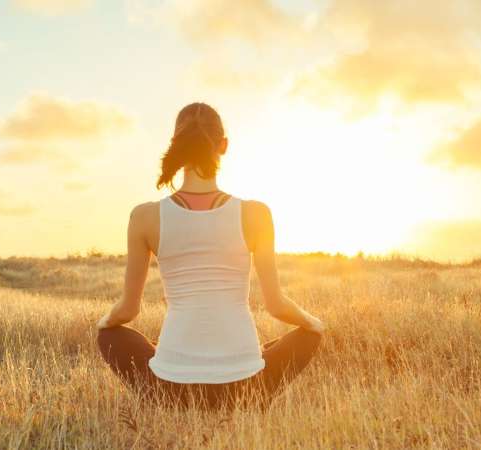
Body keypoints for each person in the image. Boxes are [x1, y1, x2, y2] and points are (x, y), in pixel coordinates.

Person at [96, 102, 325, 411]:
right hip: (244, 387)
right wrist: (314, 324)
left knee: (110, 335)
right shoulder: (255, 213)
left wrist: (104, 322)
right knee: (303, 336)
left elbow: (127, 310)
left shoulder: (145, 216)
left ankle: (167, 391)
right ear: (224, 145)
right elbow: (276, 305)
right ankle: (249, 394)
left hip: (171, 388)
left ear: (175, 145)